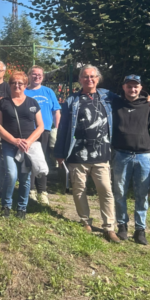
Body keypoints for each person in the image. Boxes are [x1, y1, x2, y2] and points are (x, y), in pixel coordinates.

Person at [54, 65, 122, 242]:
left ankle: (109, 227)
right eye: (85, 77)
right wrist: (60, 152)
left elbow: (129, 101)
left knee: (106, 190)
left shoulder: (107, 96)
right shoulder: (72, 100)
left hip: (102, 154)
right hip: (78, 155)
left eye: (92, 76)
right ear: (80, 79)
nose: (89, 79)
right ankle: (85, 221)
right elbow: (63, 128)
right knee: (79, 190)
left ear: (98, 79)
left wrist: (148, 97)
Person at [111, 75, 150, 245]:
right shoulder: (115, 104)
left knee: (142, 194)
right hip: (121, 155)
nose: (132, 89)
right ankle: (122, 227)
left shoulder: (149, 106)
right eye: (129, 86)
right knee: (119, 192)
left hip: (143, 156)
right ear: (124, 87)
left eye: (136, 86)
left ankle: (140, 230)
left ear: (141, 88)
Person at [0, 71, 44, 218]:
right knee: (11, 174)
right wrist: (13, 140)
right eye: (14, 83)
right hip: (9, 144)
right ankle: (6, 204)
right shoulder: (4, 102)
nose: (17, 86)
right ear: (9, 85)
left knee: (25, 178)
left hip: (27, 146)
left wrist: (28, 141)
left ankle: (22, 207)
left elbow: (40, 126)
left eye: (20, 83)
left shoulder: (32, 102)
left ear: (25, 85)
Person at [24, 65, 61, 206]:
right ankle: (31, 190)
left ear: (43, 77)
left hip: (44, 131)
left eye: (39, 74)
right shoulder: (24, 91)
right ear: (29, 76)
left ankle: (43, 191)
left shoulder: (48, 92)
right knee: (30, 160)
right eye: (34, 74)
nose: (37, 76)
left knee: (43, 160)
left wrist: (56, 129)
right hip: (29, 131)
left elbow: (56, 111)